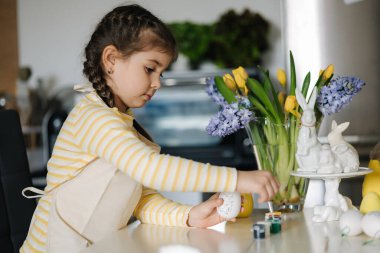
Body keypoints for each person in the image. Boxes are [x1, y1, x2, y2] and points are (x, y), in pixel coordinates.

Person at [20, 4, 279, 253]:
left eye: (161, 74)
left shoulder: (126, 127)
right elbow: (152, 169)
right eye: (149, 69)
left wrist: (189, 216)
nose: (157, 83)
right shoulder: (93, 118)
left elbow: (142, 201)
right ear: (111, 59)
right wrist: (239, 178)